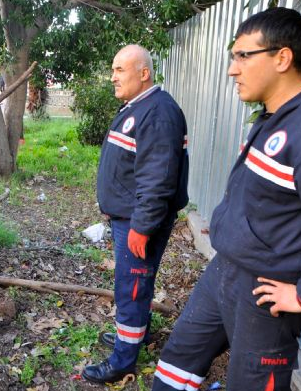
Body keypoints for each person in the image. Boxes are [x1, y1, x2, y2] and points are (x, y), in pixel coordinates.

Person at [152, 7, 301, 391]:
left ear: (282, 57)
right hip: (224, 271)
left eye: (242, 56)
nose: (233, 69)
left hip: (266, 293)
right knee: (174, 368)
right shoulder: (271, 117)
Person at [82, 44, 189, 385]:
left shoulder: (157, 113)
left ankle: (123, 361)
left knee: (131, 287)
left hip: (139, 221)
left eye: (119, 70)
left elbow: (157, 180)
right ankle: (134, 337)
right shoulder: (140, 107)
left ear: (144, 74)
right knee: (135, 284)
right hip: (129, 217)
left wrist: (142, 227)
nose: (112, 77)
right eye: (112, 69)